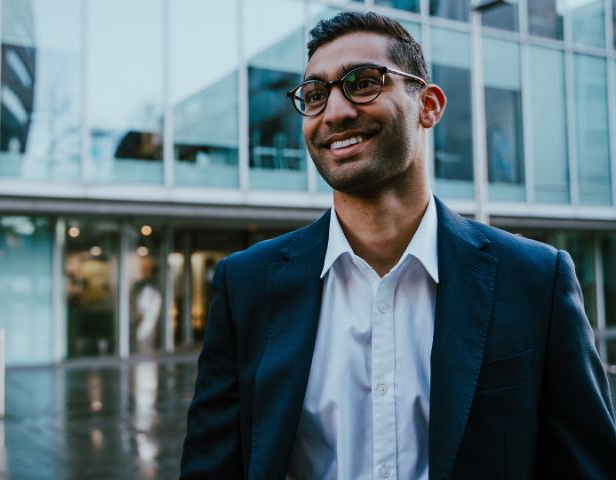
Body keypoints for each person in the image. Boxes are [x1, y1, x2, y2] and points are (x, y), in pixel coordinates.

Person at [180, 11, 616, 480]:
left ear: (428, 106)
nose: (335, 112)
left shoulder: (535, 279)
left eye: (364, 83)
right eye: (315, 95)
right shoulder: (245, 285)